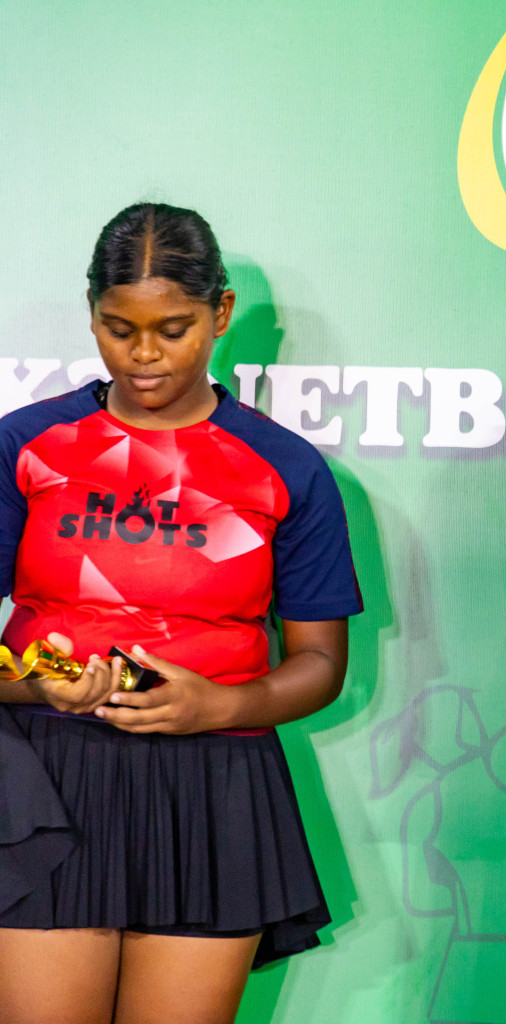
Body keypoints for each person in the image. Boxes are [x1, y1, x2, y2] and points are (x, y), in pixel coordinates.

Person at [0, 203, 361, 1024]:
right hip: (41, 774)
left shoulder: (285, 467)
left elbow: (320, 662)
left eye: (173, 327)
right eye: (117, 327)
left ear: (221, 313)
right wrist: (37, 687)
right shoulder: (26, 444)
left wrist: (220, 705)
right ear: (92, 313)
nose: (144, 355)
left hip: (216, 784)